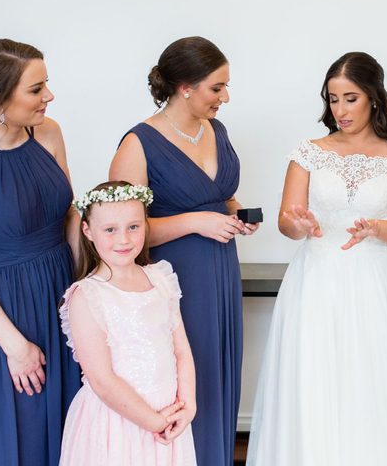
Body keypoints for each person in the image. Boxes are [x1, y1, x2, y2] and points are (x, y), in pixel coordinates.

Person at [246, 52, 387, 466]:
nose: (340, 110)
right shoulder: (308, 152)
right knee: (314, 377)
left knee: (370, 380)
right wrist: (301, 225)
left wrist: (378, 229)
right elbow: (286, 220)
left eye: (350, 98)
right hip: (315, 278)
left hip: (372, 279)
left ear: (373, 97)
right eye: (333, 99)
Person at [109, 37, 258, 466]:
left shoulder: (217, 130)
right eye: (217, 87)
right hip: (174, 280)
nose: (225, 97)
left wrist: (235, 213)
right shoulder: (139, 143)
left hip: (222, 272)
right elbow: (120, 235)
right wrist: (195, 222)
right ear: (184, 86)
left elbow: (218, 197)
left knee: (218, 374)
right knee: (184, 376)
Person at [0, 39, 81, 466]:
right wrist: (14, 346)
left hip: (63, 296)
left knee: (75, 424)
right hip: (6, 313)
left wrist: (90, 290)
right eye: (35, 89)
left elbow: (69, 215)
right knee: (23, 431)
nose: (49, 97)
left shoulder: (49, 131)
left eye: (46, 85)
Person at [57, 181, 196, 465]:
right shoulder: (87, 296)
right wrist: (153, 421)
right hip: (117, 421)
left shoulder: (160, 280)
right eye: (110, 230)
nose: (124, 239)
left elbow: (181, 350)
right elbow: (102, 380)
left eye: (133, 227)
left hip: (169, 414)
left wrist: (188, 407)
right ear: (88, 231)